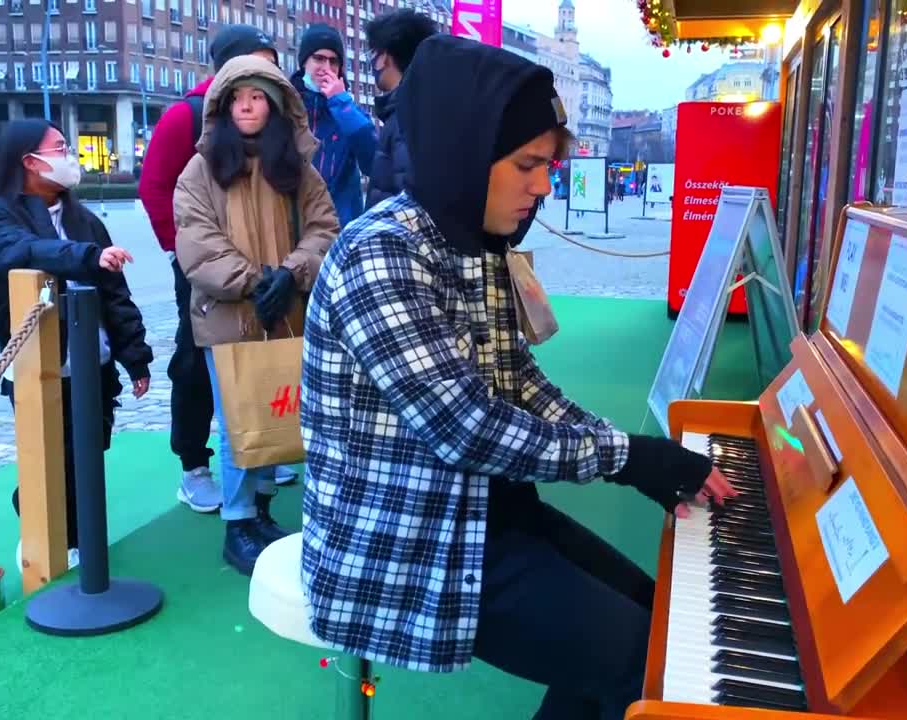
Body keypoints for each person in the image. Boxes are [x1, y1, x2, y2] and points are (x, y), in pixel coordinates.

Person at [299, 36, 735, 720]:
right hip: (408, 545)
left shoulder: (474, 240)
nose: (543, 184)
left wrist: (626, 450)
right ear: (467, 151)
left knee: (655, 627)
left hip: (484, 514)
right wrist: (629, 459)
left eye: (549, 164)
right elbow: (467, 426)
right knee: (644, 665)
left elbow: (520, 382)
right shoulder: (380, 254)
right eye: (527, 164)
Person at [173, 55, 340, 575]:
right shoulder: (199, 172)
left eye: (258, 96)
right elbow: (197, 243)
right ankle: (238, 522)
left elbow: (325, 228)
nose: (247, 106)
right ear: (222, 107)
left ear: (275, 105)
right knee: (237, 422)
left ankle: (261, 510)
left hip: (287, 312)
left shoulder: (298, 168)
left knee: (277, 412)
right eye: (238, 97)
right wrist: (253, 280)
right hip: (230, 317)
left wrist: (291, 273)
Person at [0, 118, 153, 568]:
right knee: (52, 454)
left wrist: (134, 357)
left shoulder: (84, 219)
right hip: (36, 361)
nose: (71, 157)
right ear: (29, 161)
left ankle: (80, 537)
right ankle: (44, 526)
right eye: (61, 147)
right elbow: (23, 250)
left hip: (95, 362)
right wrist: (86, 257)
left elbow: (116, 295)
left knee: (89, 452)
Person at [140, 24, 281, 513]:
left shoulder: (272, 119)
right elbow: (155, 187)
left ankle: (266, 448)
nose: (267, 74)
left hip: (267, 268)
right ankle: (194, 465)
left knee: (268, 353)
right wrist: (182, 253)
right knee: (196, 361)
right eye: (257, 62)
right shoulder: (186, 115)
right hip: (204, 268)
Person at [290, 24, 376, 228]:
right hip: (293, 227)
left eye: (333, 61)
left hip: (339, 229)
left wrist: (340, 102)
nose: (326, 67)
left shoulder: (348, 111)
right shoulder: (286, 106)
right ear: (304, 63)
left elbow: (374, 161)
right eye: (319, 59)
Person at [362, 8, 438, 209]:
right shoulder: (426, 109)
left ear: (384, 57)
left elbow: (409, 206)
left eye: (373, 53)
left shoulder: (405, 120)